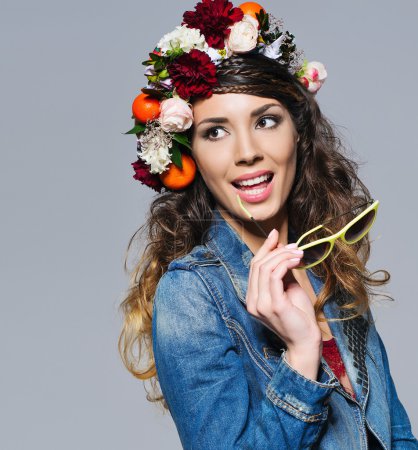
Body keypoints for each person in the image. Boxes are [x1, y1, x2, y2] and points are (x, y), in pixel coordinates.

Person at [118, 1, 418, 448]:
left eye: (266, 120)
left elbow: (396, 433)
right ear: (192, 156)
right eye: (215, 131)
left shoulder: (328, 259)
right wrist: (300, 356)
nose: (247, 152)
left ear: (298, 131)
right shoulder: (191, 295)